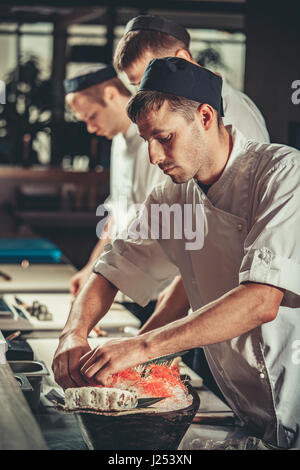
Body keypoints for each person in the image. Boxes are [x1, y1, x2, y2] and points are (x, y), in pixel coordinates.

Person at [53, 58, 300, 448]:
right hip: (247, 407)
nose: (153, 156)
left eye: (164, 138)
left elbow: (260, 301)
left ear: (205, 116)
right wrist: (73, 334)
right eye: (147, 140)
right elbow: (113, 267)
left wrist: (142, 347)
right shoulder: (173, 196)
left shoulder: (283, 173)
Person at [114, 14, 272, 390]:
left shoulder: (234, 123)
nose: (142, 95)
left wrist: (147, 346)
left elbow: (218, 261)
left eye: (144, 81)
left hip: (243, 326)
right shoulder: (173, 175)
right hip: (205, 317)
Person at [64, 65, 168, 299]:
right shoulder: (118, 141)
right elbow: (117, 214)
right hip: (120, 281)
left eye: (92, 117)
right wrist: (92, 268)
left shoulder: (154, 142)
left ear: (111, 95)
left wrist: (101, 281)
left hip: (156, 290)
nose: (91, 128)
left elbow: (153, 225)